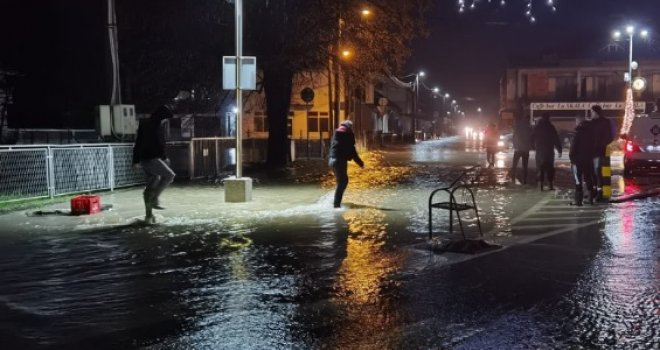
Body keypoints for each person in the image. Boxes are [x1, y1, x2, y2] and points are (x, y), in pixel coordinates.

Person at [133, 105, 176, 224]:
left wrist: (136, 161)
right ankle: (155, 199)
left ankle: (148, 216)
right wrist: (164, 157)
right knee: (169, 175)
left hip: (145, 158)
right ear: (162, 117)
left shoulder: (147, 125)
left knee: (152, 183)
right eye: (165, 119)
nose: (165, 121)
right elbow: (157, 144)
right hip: (150, 158)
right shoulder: (155, 127)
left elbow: (138, 143)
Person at [328, 120, 364, 208]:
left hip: (332, 161)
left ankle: (335, 201)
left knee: (340, 182)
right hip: (340, 161)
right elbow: (352, 151)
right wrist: (360, 163)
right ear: (349, 127)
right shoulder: (348, 134)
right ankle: (336, 206)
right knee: (343, 182)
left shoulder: (337, 133)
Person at [589, 105, 616, 201]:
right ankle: (596, 191)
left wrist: (600, 145)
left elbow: (609, 137)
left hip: (599, 151)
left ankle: (599, 193)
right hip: (594, 151)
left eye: (591, 112)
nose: (590, 114)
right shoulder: (592, 123)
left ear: (596, 113)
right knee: (594, 173)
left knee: (597, 172)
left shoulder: (604, 122)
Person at [569, 116, 595, 205]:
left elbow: (573, 147)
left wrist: (571, 158)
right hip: (588, 160)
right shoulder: (591, 135)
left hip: (577, 161)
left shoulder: (578, 133)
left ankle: (578, 200)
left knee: (578, 180)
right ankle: (591, 198)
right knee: (588, 178)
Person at [532, 112, 562, 191]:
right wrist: (559, 150)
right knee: (549, 168)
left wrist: (533, 147)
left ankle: (540, 185)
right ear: (549, 118)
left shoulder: (537, 127)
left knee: (540, 168)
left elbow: (532, 138)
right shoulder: (551, 127)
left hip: (539, 151)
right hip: (549, 151)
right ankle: (550, 185)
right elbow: (556, 138)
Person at [510, 116, 533, 184]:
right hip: (526, 149)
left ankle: (513, 177)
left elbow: (514, 137)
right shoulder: (529, 128)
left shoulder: (518, 127)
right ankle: (524, 179)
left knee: (515, 164)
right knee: (525, 165)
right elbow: (531, 138)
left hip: (518, 149)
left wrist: (515, 145)